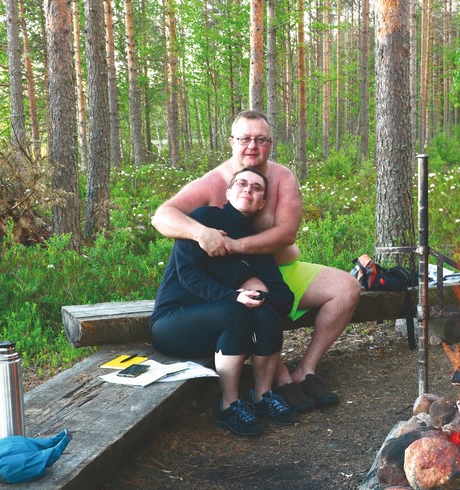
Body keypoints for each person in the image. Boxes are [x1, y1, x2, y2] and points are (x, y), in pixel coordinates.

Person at [151, 110, 360, 412]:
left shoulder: (282, 177)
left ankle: (306, 370)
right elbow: (162, 216)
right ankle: (280, 379)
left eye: (260, 140)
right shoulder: (213, 182)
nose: (252, 146)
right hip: (233, 277)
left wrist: (236, 246)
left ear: (270, 144)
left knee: (347, 288)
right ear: (231, 142)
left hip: (275, 265)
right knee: (254, 292)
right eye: (245, 139)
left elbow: (287, 233)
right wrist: (200, 233)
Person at [149, 168, 297, 437]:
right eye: (241, 183)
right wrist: (233, 296)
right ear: (228, 193)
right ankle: (229, 405)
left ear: (262, 203)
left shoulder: (256, 246)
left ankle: (263, 396)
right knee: (236, 312)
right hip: (174, 322)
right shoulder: (204, 220)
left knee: (266, 313)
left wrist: (259, 297)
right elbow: (188, 276)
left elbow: (284, 297)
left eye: (257, 187)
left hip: (222, 330)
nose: (248, 189)